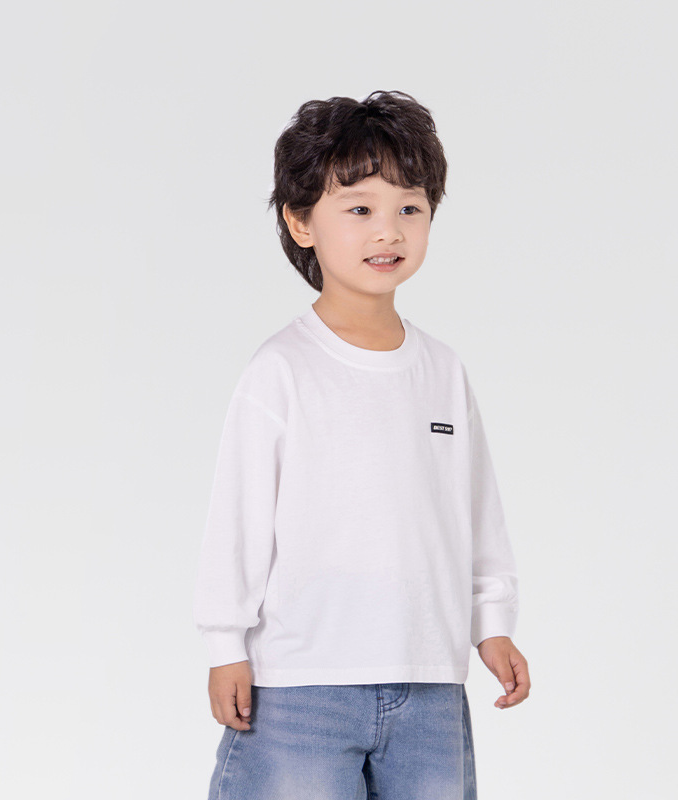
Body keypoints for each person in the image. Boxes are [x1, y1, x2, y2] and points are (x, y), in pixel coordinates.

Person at [192, 89, 531, 800]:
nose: (388, 231)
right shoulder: (282, 370)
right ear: (300, 222)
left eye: (410, 208)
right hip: (300, 687)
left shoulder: (442, 370)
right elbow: (239, 518)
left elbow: (475, 511)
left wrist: (492, 622)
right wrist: (226, 644)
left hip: (429, 684)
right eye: (359, 210)